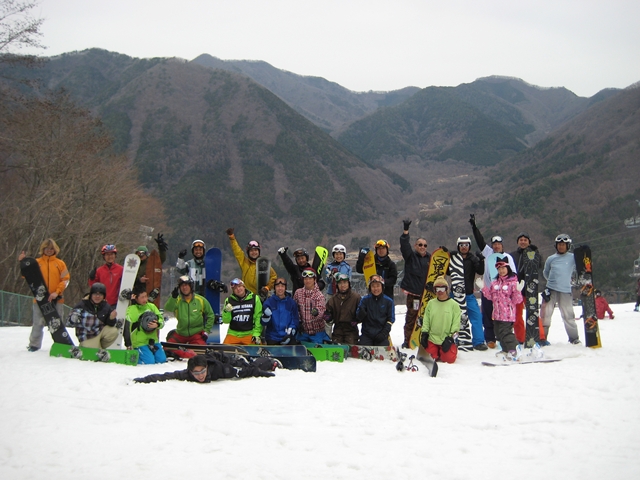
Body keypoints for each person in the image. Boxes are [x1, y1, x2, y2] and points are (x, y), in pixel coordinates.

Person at [469, 215, 515, 348]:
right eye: (494, 244)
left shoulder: (508, 257)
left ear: (502, 245)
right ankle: (490, 338)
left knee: (503, 315)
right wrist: (474, 227)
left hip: (504, 293)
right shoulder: (488, 252)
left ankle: (504, 337)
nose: (496, 246)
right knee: (487, 315)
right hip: (488, 290)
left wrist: (513, 289)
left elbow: (513, 275)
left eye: (499, 244)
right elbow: (480, 241)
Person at [19, 239, 70, 352]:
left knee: (57, 324)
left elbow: (66, 280)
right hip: (40, 299)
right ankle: (34, 345)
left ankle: (61, 344)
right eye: (47, 248)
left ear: (55, 250)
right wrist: (23, 262)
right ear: (43, 249)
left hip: (57, 299)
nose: (49, 250)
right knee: (38, 323)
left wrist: (57, 292)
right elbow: (25, 276)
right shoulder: (36, 262)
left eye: (51, 248)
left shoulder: (60, 263)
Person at [133, 352, 279, 383]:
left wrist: (265, 373)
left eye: (202, 371)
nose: (200, 375)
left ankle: (270, 361)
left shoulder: (221, 370)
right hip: (208, 357)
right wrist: (143, 379)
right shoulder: (189, 373)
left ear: (207, 368)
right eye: (196, 373)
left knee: (248, 365)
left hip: (222, 360)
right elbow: (166, 375)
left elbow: (246, 372)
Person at [541, 233, 581, 344]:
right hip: (551, 290)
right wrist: (553, 282)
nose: (561, 246)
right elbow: (545, 272)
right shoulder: (551, 259)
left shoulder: (572, 257)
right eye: (559, 244)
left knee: (568, 315)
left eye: (563, 244)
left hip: (565, 290)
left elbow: (581, 266)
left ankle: (574, 338)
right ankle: (542, 338)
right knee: (545, 314)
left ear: (567, 246)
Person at [449, 235, 487, 350]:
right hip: (455, 294)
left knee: (476, 317)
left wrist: (481, 260)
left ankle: (478, 342)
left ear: (469, 246)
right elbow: (447, 272)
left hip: (469, 294)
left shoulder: (472, 259)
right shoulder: (454, 258)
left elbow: (480, 271)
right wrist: (447, 256)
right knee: (453, 318)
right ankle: (453, 340)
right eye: (461, 245)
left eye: (466, 245)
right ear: (458, 246)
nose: (464, 247)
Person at [481, 257, 524, 355]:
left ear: (508, 268)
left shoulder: (513, 282)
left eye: (503, 268)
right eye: (499, 269)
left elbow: (517, 300)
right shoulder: (495, 283)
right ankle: (505, 350)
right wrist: (483, 288)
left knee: (506, 333)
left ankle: (514, 350)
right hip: (497, 314)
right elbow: (490, 297)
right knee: (498, 333)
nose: (501, 271)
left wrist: (518, 291)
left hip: (507, 315)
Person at [399, 219, 431, 348]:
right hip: (414, 295)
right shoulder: (410, 257)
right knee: (411, 318)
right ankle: (408, 341)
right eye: (420, 245)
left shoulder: (430, 259)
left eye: (425, 245)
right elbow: (404, 245)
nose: (422, 247)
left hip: (427, 295)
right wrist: (405, 231)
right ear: (415, 246)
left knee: (427, 319)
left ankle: (425, 341)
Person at [164, 275, 216, 347]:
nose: (184, 288)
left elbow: (211, 315)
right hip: (180, 334)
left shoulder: (200, 300)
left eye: (186, 285)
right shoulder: (177, 300)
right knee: (168, 347)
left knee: (199, 351)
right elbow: (168, 308)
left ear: (191, 286)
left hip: (196, 334)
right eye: (182, 286)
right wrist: (173, 298)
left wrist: (206, 331)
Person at [420, 276, 461, 363]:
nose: (440, 292)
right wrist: (424, 333)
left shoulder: (454, 305)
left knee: (449, 359)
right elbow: (426, 320)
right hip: (432, 338)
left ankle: (444, 351)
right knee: (428, 358)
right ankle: (435, 351)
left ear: (446, 289)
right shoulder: (431, 303)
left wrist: (450, 338)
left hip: (446, 339)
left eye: (442, 289)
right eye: (437, 289)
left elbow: (456, 324)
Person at [226, 228, 276, 296]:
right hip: (247, 296)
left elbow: (274, 276)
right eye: (251, 251)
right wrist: (232, 238)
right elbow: (237, 252)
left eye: (256, 250)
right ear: (248, 252)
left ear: (259, 252)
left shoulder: (263, 265)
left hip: (261, 296)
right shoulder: (244, 262)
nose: (254, 252)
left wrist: (267, 288)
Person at [67, 282, 119, 349]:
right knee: (92, 349)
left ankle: (99, 347)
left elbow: (110, 324)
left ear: (103, 296)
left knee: (113, 331)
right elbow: (69, 323)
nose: (97, 296)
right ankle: (92, 347)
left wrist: (111, 318)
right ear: (91, 295)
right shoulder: (82, 305)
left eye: (100, 294)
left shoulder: (105, 306)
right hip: (87, 335)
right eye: (95, 294)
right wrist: (73, 318)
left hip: (98, 331)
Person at [124, 285, 166, 364]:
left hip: (152, 340)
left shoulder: (151, 306)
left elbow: (161, 319)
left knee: (161, 360)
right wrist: (133, 304)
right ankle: (133, 355)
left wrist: (157, 324)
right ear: (136, 298)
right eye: (142, 297)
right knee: (149, 361)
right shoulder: (132, 308)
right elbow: (131, 319)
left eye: (146, 296)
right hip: (139, 342)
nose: (145, 299)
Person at [293, 268, 330, 344]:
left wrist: (317, 313)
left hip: (317, 332)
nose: (308, 281)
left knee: (317, 348)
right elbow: (295, 310)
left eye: (310, 279)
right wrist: (299, 322)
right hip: (303, 331)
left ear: (314, 280)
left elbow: (322, 311)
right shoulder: (298, 293)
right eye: (306, 279)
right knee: (297, 347)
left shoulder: (319, 295)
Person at [221, 278, 263, 345]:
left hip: (250, 333)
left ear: (244, 286)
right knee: (224, 350)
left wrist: (256, 333)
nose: (238, 289)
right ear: (233, 291)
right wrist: (226, 311)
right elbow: (226, 321)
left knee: (257, 349)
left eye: (239, 286)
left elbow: (258, 317)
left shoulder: (255, 298)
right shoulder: (228, 300)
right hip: (233, 333)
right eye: (235, 288)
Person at [356, 275, 394, 346]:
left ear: (382, 287)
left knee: (383, 350)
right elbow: (357, 317)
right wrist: (361, 314)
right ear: (370, 288)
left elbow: (391, 319)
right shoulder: (364, 300)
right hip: (367, 335)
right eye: (373, 286)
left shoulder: (388, 301)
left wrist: (384, 333)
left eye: (378, 286)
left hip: (381, 335)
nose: (376, 288)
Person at [261, 277, 300, 345]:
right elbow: (264, 323)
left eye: (282, 286)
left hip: (287, 336)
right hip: (272, 337)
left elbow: (295, 320)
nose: (280, 288)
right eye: (278, 286)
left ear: (285, 288)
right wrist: (266, 317)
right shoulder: (268, 302)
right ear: (275, 288)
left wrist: (290, 334)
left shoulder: (291, 303)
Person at [325, 272, 361, 344]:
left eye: (345, 283)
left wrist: (357, 320)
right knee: (336, 348)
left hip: (351, 329)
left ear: (348, 284)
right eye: (340, 283)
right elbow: (328, 312)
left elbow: (362, 312)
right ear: (337, 285)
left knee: (350, 347)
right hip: (338, 329)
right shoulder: (333, 299)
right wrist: (327, 316)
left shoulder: (356, 297)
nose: (343, 285)